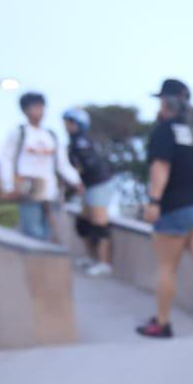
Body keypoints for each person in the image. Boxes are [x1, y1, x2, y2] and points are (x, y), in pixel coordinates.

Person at [137, 78, 193, 338]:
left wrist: (154, 201)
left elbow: (160, 167)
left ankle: (162, 323)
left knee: (167, 267)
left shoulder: (165, 130)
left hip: (176, 206)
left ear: (166, 101)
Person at [0, 92, 81, 242]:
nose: (39, 112)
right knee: (33, 233)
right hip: (28, 190)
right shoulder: (19, 133)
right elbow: (6, 159)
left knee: (52, 234)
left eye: (41, 108)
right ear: (25, 110)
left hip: (51, 191)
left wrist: (76, 181)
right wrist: (8, 186)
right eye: (34, 108)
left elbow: (62, 164)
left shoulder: (51, 136)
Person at [62, 108, 115, 276]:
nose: (66, 126)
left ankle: (104, 262)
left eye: (70, 122)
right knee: (84, 224)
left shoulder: (82, 142)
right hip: (88, 186)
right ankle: (92, 258)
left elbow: (89, 166)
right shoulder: (75, 141)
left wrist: (77, 180)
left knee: (100, 224)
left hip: (97, 184)